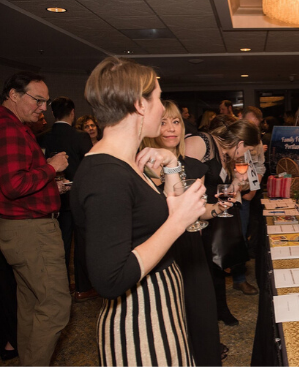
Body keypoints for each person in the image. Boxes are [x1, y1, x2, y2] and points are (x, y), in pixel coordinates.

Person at [70, 57, 207, 366]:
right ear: (139, 104)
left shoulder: (127, 162)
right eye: (157, 97)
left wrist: (172, 165)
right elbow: (110, 278)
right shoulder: (106, 174)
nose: (162, 107)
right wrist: (177, 221)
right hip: (140, 321)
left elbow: (151, 221)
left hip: (158, 306)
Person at [141, 100, 222, 365]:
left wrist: (218, 208)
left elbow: (200, 211)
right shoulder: (140, 167)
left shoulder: (195, 166)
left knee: (202, 314)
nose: (170, 128)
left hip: (190, 248)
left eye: (176, 121)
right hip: (159, 250)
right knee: (168, 321)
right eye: (163, 121)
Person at [0, 71, 71, 366]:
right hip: (30, 231)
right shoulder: (9, 128)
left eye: (46, 102)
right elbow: (13, 185)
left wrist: (48, 185)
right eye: (38, 101)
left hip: (20, 229)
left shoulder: (16, 125)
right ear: (14, 95)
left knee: (30, 306)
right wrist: (52, 168)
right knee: (55, 307)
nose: (43, 108)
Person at [185, 114, 261, 325]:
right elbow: (185, 187)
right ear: (241, 143)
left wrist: (237, 181)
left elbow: (227, 193)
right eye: (247, 150)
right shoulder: (203, 142)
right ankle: (203, 326)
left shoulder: (225, 154)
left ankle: (220, 311)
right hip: (196, 222)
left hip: (213, 216)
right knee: (201, 279)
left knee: (216, 270)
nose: (247, 155)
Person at [38, 96, 97, 301]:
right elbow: (90, 167)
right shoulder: (80, 136)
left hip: (54, 195)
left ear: (53, 113)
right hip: (79, 197)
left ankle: (62, 287)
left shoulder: (43, 136)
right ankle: (82, 287)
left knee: (60, 244)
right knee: (81, 245)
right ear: (72, 112)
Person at [240, 106, 267, 266]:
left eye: (255, 126)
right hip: (226, 193)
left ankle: (240, 278)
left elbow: (259, 166)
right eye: (250, 124)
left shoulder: (257, 140)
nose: (252, 129)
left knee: (243, 233)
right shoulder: (229, 137)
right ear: (240, 118)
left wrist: (252, 192)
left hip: (245, 195)